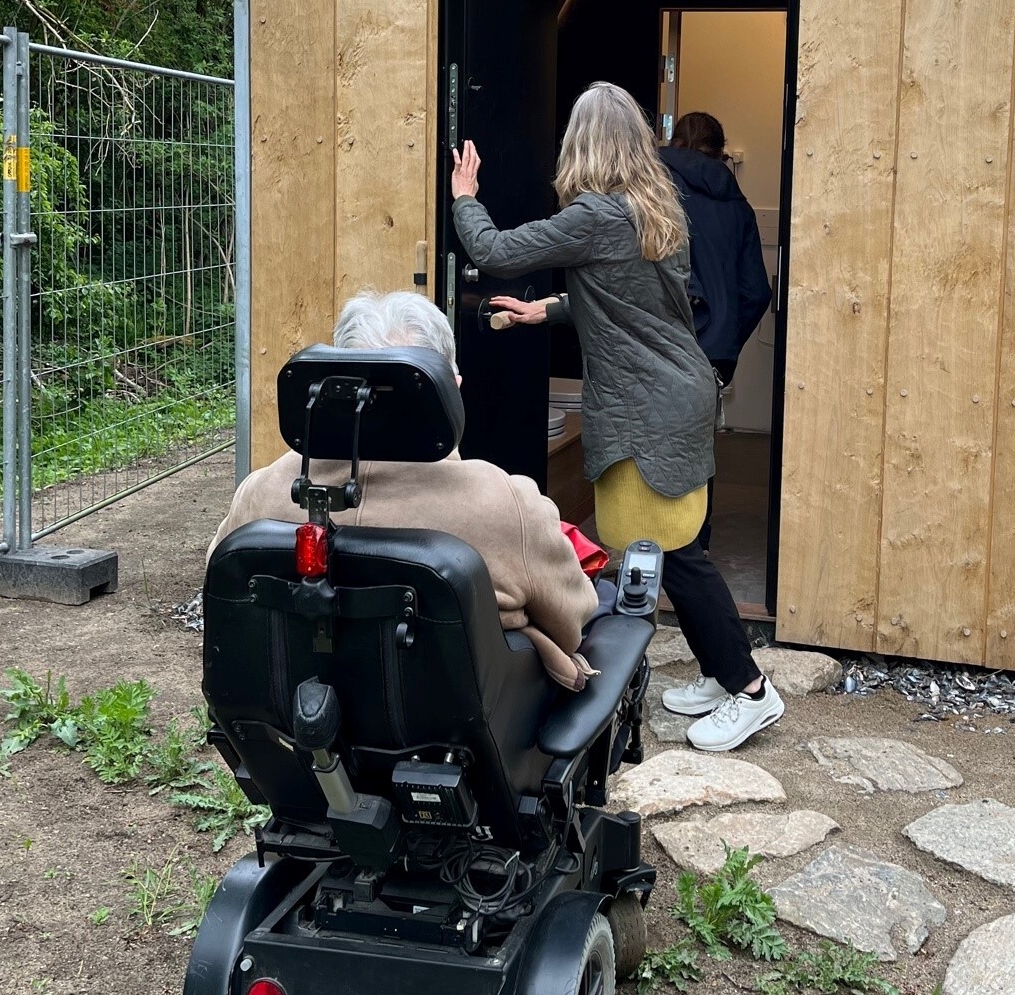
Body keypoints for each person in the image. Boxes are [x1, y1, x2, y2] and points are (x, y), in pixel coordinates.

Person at [450, 80, 784, 753]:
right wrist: (544, 309)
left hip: (649, 406)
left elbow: (496, 252)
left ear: (583, 144)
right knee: (669, 548)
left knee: (672, 552)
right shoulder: (654, 206)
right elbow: (629, 300)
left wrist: (465, 198)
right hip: (675, 393)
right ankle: (720, 675)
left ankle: (751, 689)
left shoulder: (597, 215)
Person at [208, 290, 600, 691]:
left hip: (288, 717)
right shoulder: (504, 502)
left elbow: (220, 593)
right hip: (459, 724)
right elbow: (572, 621)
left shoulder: (261, 492)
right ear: (453, 388)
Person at [660, 111, 771, 390]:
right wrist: (727, 335)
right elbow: (757, 293)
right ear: (720, 153)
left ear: (675, 143)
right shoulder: (739, 207)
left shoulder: (652, 191)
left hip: (663, 344)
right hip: (717, 354)